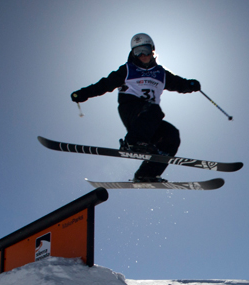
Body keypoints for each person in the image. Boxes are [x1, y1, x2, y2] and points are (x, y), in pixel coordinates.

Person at [70, 33, 201, 182]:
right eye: (137, 52)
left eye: (145, 50)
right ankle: (132, 142)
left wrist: (191, 85)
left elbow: (179, 83)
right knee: (153, 110)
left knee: (171, 135)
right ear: (133, 53)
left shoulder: (161, 73)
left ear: (152, 50)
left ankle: (146, 174)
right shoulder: (127, 69)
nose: (142, 55)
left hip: (149, 122)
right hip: (132, 111)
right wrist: (83, 93)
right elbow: (104, 85)